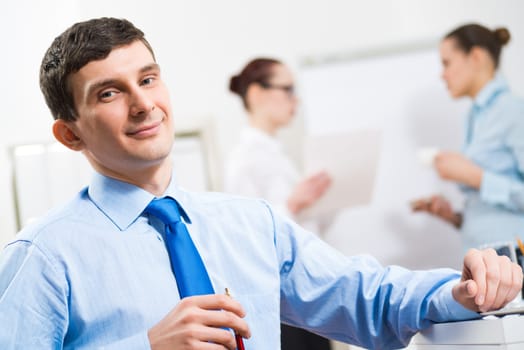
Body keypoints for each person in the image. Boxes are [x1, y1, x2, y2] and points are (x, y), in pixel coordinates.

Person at [0, 17, 522, 350]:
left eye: (148, 78)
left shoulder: (252, 223)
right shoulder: (43, 256)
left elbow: (368, 298)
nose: (142, 104)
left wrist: (457, 290)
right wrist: (147, 348)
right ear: (69, 134)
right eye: (109, 93)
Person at [226, 58, 332, 349]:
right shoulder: (244, 159)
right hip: (282, 302)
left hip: (308, 293)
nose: (294, 99)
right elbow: (245, 236)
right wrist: (294, 205)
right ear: (257, 94)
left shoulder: (277, 154)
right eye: (287, 89)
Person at [412, 23, 524, 252]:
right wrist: (453, 217)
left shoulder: (514, 111)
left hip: (513, 265)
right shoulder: (473, 117)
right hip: (483, 261)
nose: (442, 75)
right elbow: (491, 213)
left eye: (447, 63)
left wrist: (475, 177)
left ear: (476, 57)